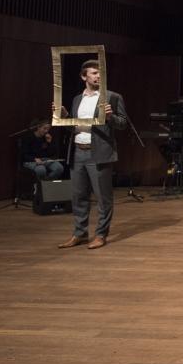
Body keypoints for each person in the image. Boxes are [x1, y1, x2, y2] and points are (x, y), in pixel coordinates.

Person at [54, 60, 128, 250]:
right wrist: (63, 115)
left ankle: (101, 234)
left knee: (103, 197)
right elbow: (75, 124)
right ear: (83, 76)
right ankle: (80, 233)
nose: (97, 76)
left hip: (99, 152)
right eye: (94, 73)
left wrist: (110, 117)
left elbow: (122, 124)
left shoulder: (112, 97)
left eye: (99, 73)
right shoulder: (77, 99)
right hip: (78, 151)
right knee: (79, 196)